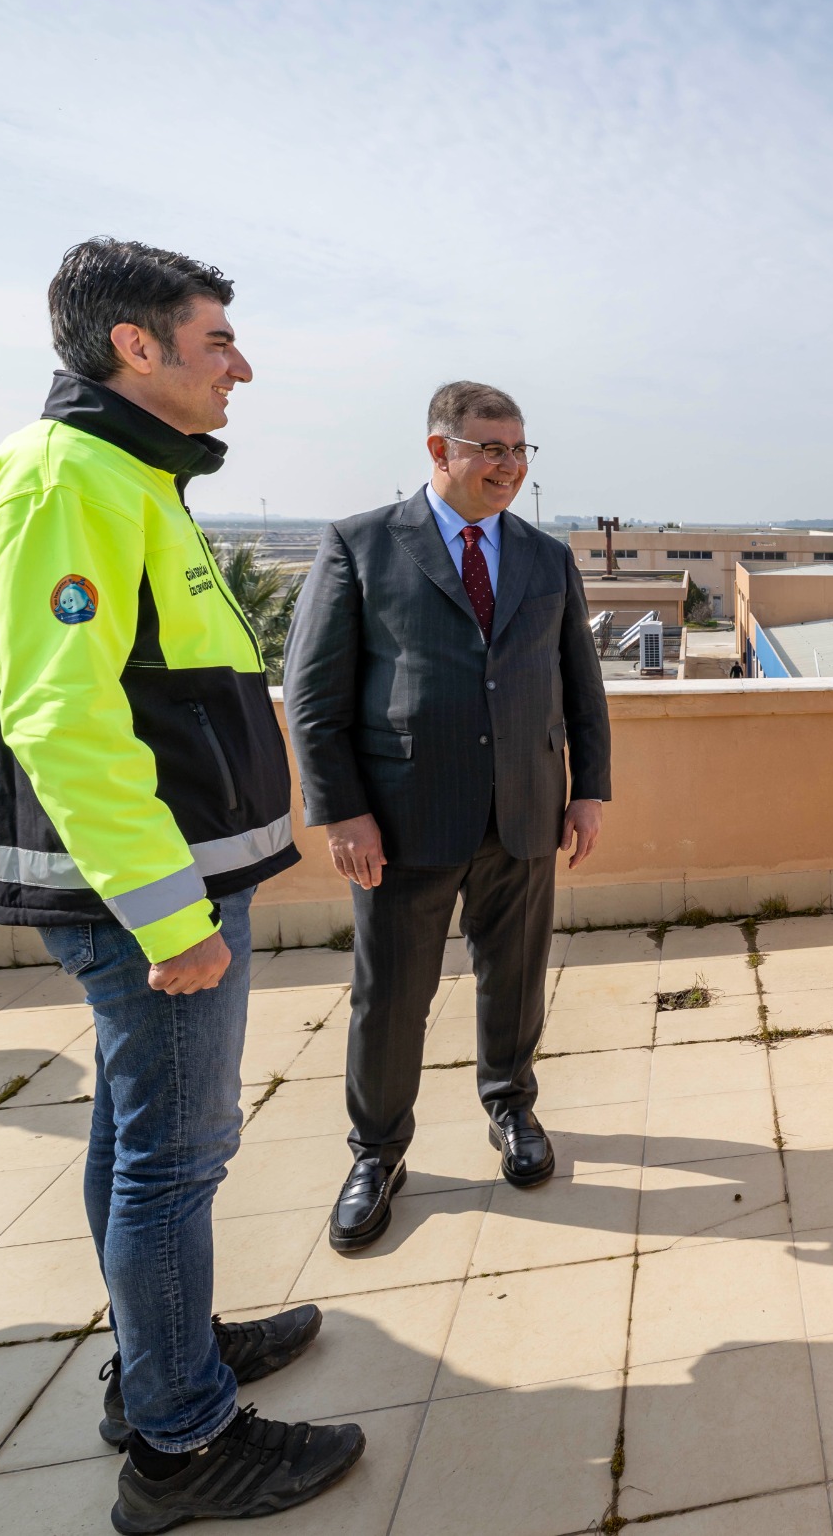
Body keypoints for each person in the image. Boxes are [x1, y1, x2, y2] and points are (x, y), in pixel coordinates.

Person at [0, 238, 361, 1531]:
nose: (240, 365)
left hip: (169, 883)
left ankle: (164, 1358)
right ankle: (185, 1443)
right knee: (174, 1158)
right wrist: (168, 915)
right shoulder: (64, 477)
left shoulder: (123, 473)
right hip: (152, 898)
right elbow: (63, 713)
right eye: (217, 340)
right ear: (137, 345)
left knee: (142, 1143)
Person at [283, 381, 611, 1252]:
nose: (508, 466)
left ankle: (511, 1108)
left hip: (526, 814)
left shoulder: (546, 557)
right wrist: (342, 810)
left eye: (519, 450)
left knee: (516, 977)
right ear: (440, 451)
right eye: (490, 448)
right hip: (403, 820)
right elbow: (313, 697)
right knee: (391, 998)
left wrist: (589, 788)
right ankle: (378, 1151)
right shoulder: (362, 545)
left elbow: (581, 683)